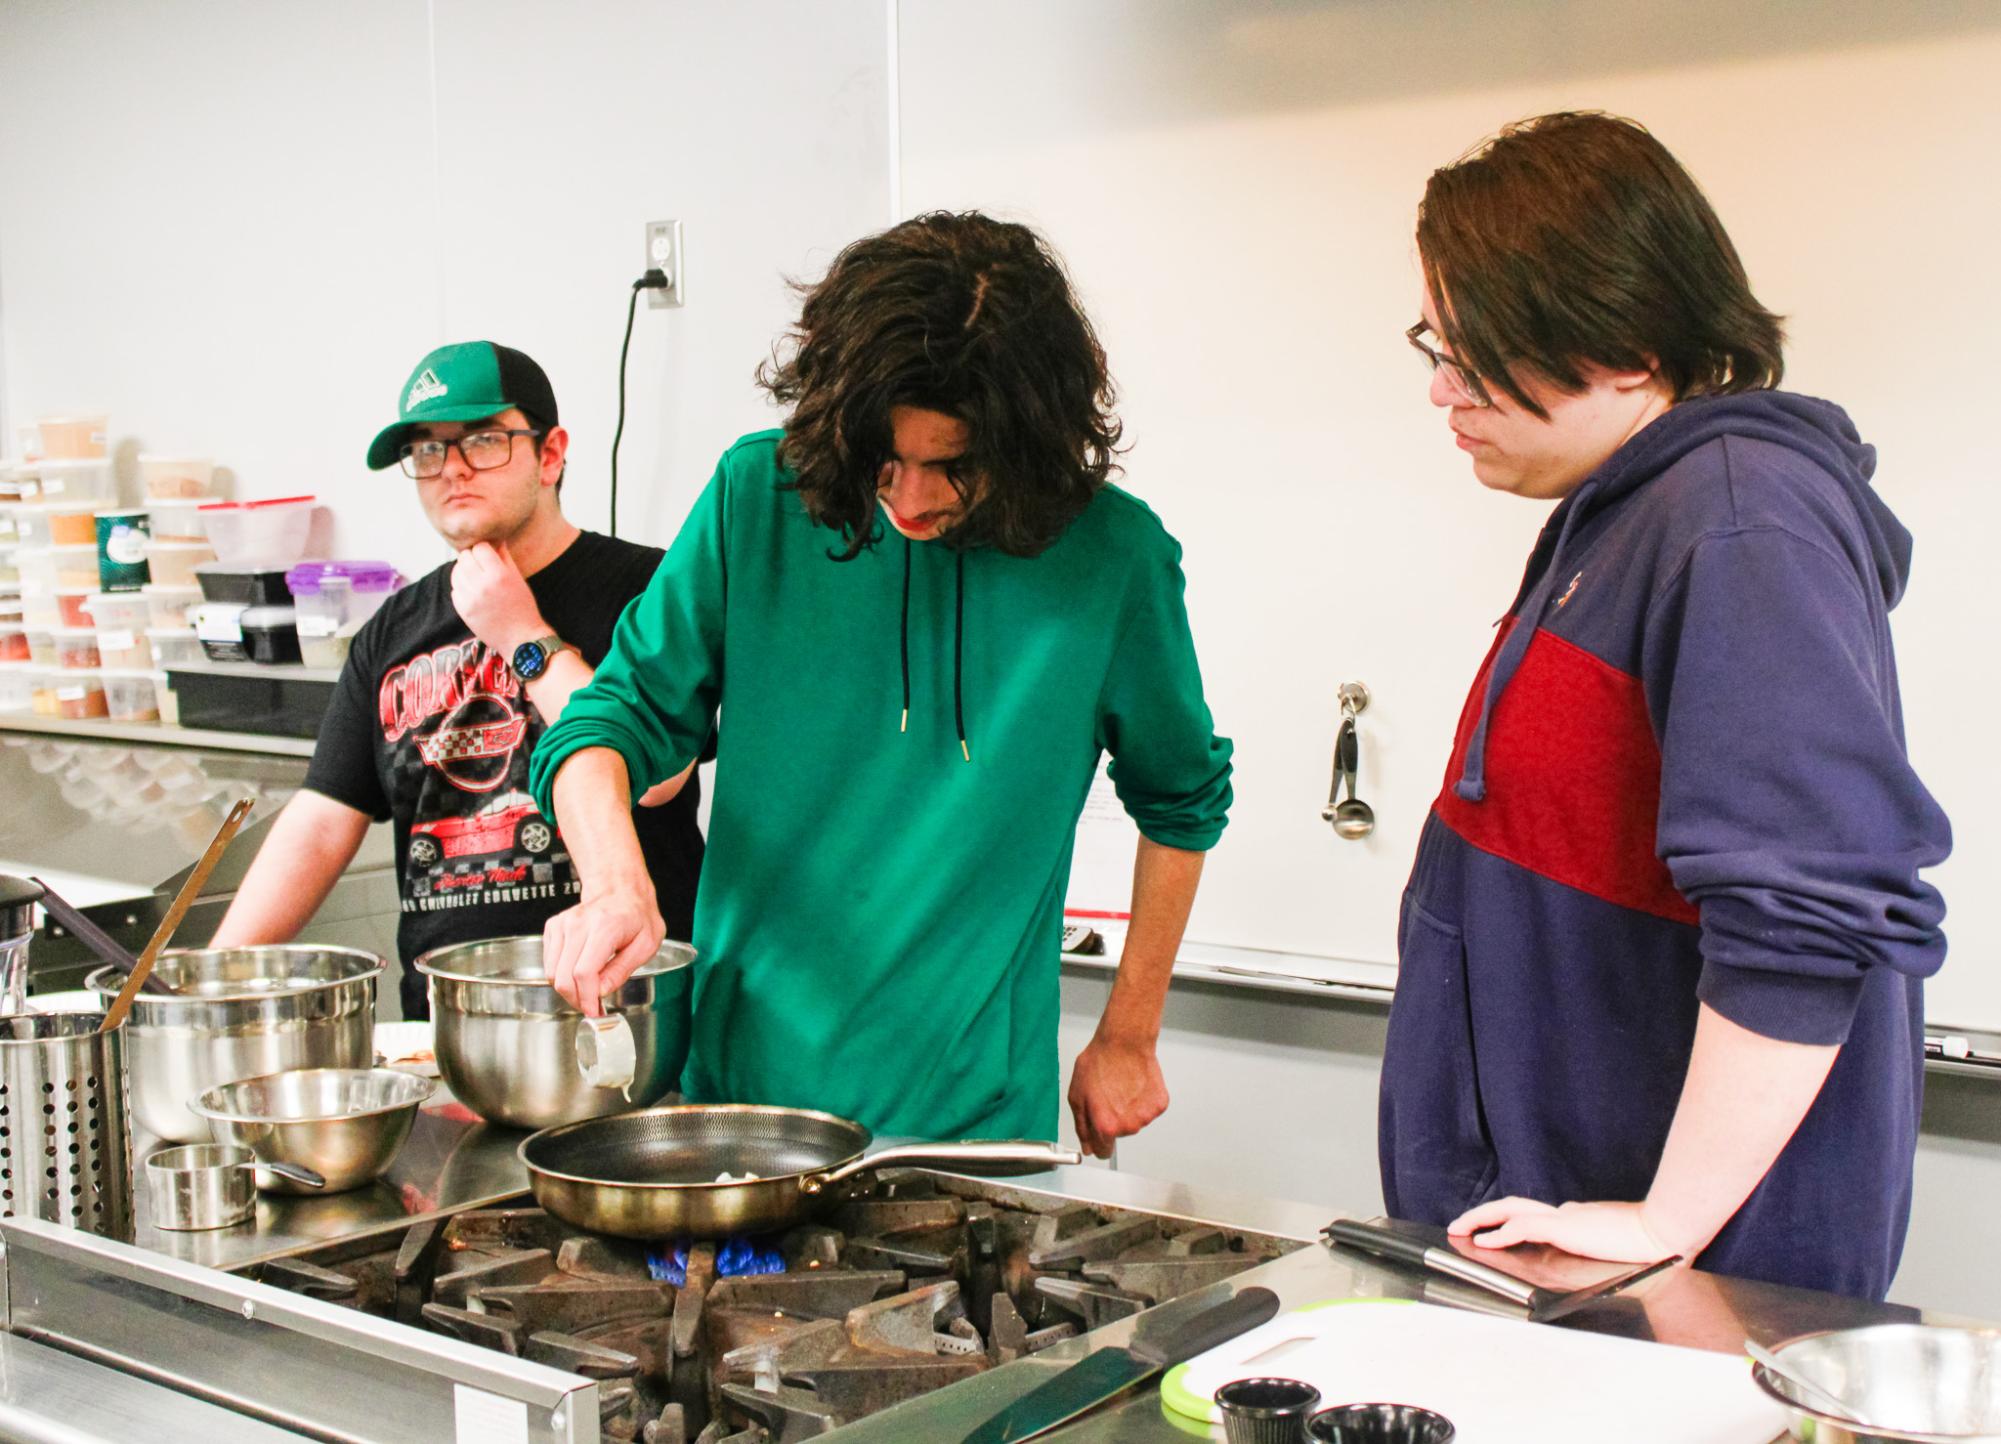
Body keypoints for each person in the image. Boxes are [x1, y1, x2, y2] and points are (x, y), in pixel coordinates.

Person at [1380, 112, 1951, 1301]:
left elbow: (1809, 906)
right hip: (1562, 1258)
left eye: (1475, 348)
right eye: (1437, 342)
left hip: (1676, 1288)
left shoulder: (1743, 522)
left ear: (1629, 345)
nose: (1443, 386)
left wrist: (1667, 1218)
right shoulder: (1625, 518)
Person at [527, 212, 1232, 1153]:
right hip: (743, 1107)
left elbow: (1181, 802)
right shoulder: (755, 497)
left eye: (954, 467)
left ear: (1028, 439)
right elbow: (606, 722)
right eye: (883, 462)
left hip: (972, 1131)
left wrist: (1130, 1034)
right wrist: (616, 885)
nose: (909, 500)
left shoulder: (1112, 559)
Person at [210, 341, 704, 1019]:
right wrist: (216, 977)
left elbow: (660, 778)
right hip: (449, 1024)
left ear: (551, 453)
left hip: (625, 1007)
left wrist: (521, 637)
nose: (452, 469)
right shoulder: (392, 629)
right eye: (428, 450)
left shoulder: (647, 591)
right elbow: (323, 819)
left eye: (483, 440)